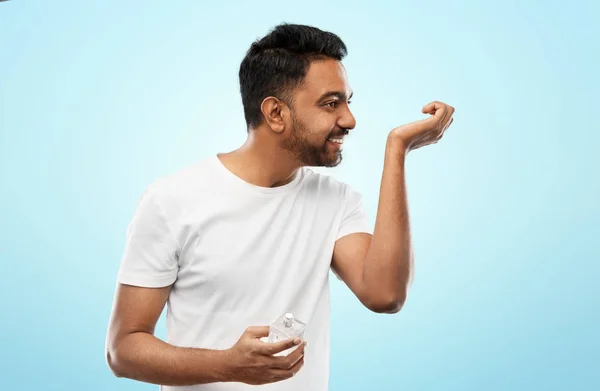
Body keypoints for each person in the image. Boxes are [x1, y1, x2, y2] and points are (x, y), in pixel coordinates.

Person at [105, 23, 455, 391]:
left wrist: (397, 150)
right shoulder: (171, 200)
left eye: (348, 101)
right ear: (275, 113)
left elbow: (385, 295)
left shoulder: (337, 201)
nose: (349, 120)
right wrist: (228, 366)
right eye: (331, 103)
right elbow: (123, 349)